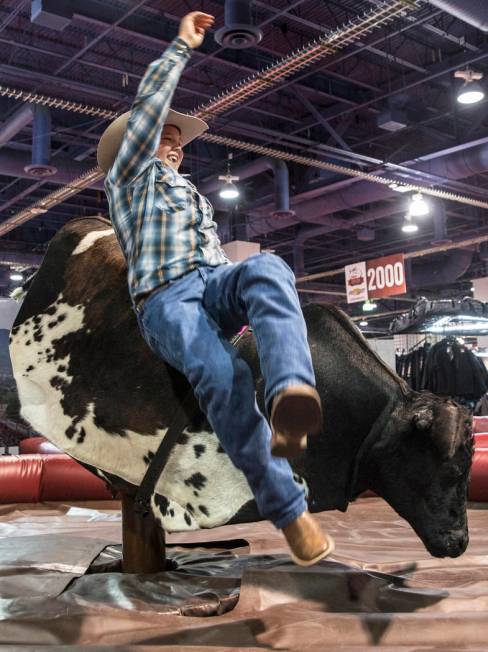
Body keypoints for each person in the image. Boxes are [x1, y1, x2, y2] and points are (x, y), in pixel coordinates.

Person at [97, 11, 334, 566]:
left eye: (180, 144)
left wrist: (235, 281)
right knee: (221, 374)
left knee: (268, 267)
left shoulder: (192, 196)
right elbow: (152, 102)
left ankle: (290, 399)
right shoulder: (129, 179)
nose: (175, 147)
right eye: (166, 139)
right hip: (165, 299)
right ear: (141, 140)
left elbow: (224, 270)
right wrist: (181, 46)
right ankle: (289, 510)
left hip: (210, 282)